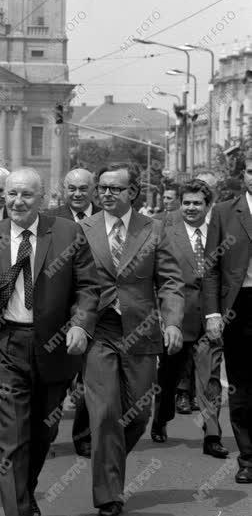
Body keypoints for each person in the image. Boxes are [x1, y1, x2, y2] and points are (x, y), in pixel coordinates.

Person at [0, 167, 100, 516]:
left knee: (43, 434)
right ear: (3, 196)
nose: (18, 201)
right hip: (3, 346)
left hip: (53, 347)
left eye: (27, 195)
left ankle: (25, 491)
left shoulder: (68, 233)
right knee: (13, 437)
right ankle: (18, 509)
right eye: (12, 194)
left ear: (44, 197)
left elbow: (88, 287)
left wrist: (81, 323)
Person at [81, 164, 184, 516]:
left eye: (115, 189)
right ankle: (109, 495)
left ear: (133, 192)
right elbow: (71, 285)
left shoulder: (154, 229)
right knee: (106, 413)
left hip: (141, 332)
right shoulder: (83, 230)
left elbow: (170, 281)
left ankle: (107, 462)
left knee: (138, 414)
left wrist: (171, 322)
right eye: (102, 188)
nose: (106, 194)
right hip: (99, 331)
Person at [151, 179, 228, 458]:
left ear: (208, 206)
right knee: (169, 377)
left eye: (197, 203)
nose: (191, 208)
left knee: (209, 377)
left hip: (211, 316)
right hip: (175, 316)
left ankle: (212, 434)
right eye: (186, 203)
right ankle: (160, 419)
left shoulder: (220, 231)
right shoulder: (163, 228)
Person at [202, 151, 252, 483]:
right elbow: (211, 270)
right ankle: (248, 457)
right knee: (243, 385)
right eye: (251, 170)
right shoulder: (224, 212)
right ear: (243, 174)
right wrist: (213, 314)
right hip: (241, 306)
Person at [48, 168, 100, 458]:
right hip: (54, 312)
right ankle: (48, 433)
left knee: (87, 380)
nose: (77, 194)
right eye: (72, 188)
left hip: (94, 309)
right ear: (63, 190)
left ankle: (83, 436)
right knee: (55, 381)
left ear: (93, 190)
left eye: (83, 188)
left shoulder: (107, 218)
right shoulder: (49, 218)